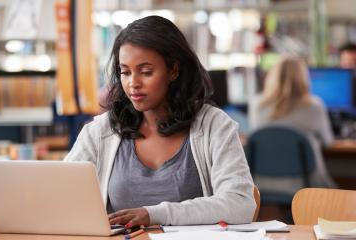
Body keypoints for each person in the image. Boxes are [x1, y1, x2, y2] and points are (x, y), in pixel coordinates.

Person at [64, 16, 255, 228]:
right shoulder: (101, 132)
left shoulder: (213, 125)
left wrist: (155, 214)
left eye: (146, 72)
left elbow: (241, 204)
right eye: (125, 72)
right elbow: (61, 196)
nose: (133, 83)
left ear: (173, 70)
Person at [249, 56, 337, 194]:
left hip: (261, 183)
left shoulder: (257, 104)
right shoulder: (314, 106)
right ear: (303, 78)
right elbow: (328, 142)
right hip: (305, 185)